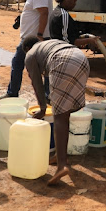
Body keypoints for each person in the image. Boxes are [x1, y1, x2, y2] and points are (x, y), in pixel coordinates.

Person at [25, 38, 89, 186]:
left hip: (63, 61)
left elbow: (36, 83)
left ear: (28, 47)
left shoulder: (30, 54)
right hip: (82, 59)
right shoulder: (49, 44)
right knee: (66, 111)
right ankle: (58, 155)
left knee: (59, 116)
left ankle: (62, 165)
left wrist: (42, 108)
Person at [1, 0, 53, 99]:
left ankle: (13, 93)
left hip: (33, 39)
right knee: (43, 67)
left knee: (18, 63)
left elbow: (44, 13)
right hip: (33, 38)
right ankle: (47, 96)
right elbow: (36, 12)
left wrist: (39, 35)